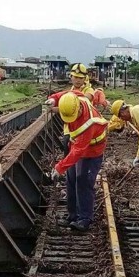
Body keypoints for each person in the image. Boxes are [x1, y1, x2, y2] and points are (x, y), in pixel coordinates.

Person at [45, 91, 108, 231]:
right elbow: (64, 94)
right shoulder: (74, 98)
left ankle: (84, 218)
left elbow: (78, 152)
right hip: (77, 145)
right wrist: (53, 99)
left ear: (79, 108)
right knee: (71, 179)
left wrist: (59, 168)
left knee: (83, 180)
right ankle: (72, 216)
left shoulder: (89, 123)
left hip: (92, 151)